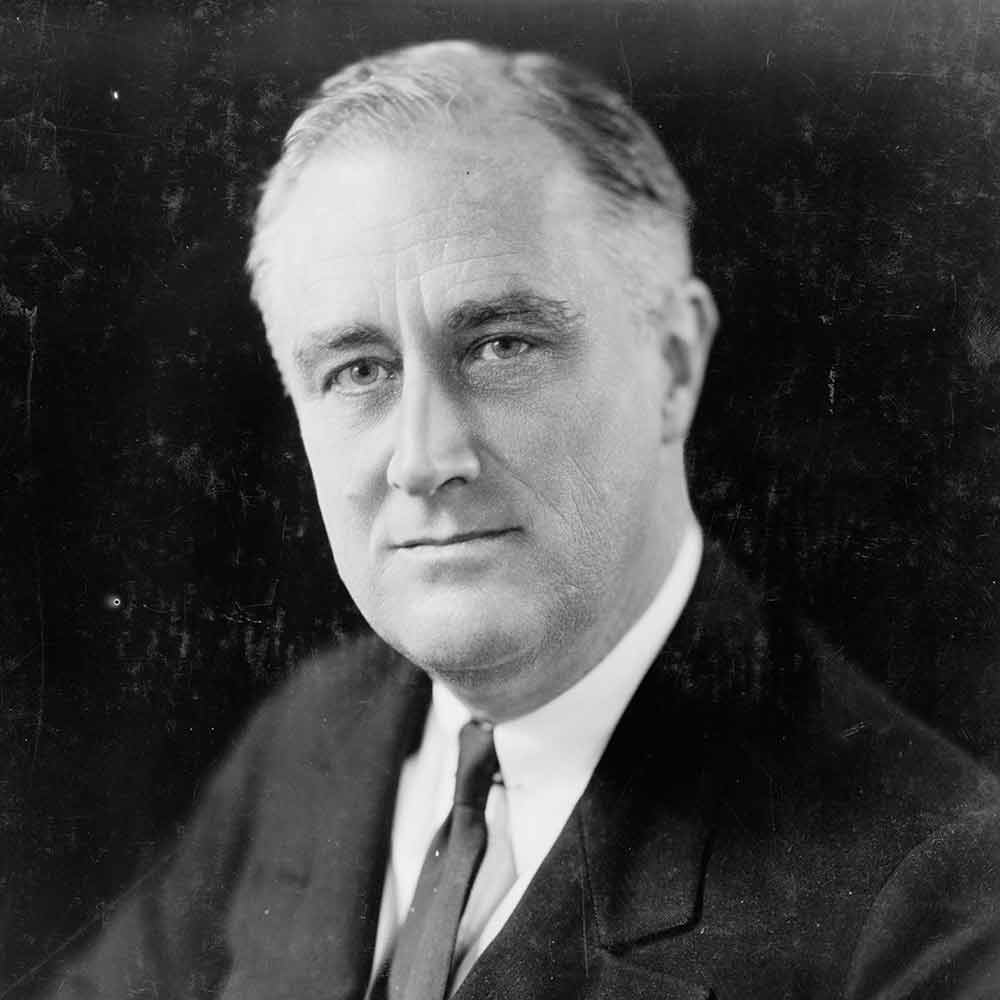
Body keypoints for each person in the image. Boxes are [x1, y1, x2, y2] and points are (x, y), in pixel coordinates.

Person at [43, 40, 1000, 1000]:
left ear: (673, 363)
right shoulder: (316, 736)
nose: (423, 458)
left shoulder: (933, 896)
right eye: (359, 371)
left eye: (502, 345)